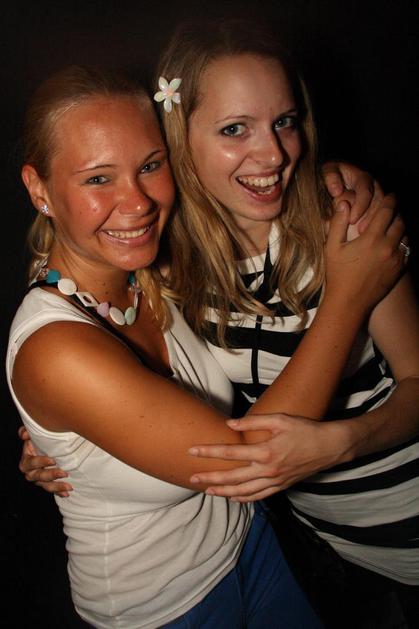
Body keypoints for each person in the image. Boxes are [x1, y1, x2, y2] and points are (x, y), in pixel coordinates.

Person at [12, 35, 409, 629]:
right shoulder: (77, 333)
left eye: (149, 166)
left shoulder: (159, 274)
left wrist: (63, 442)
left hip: (266, 544)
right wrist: (350, 297)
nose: (136, 202)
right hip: (175, 601)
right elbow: (243, 461)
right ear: (39, 189)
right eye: (97, 179)